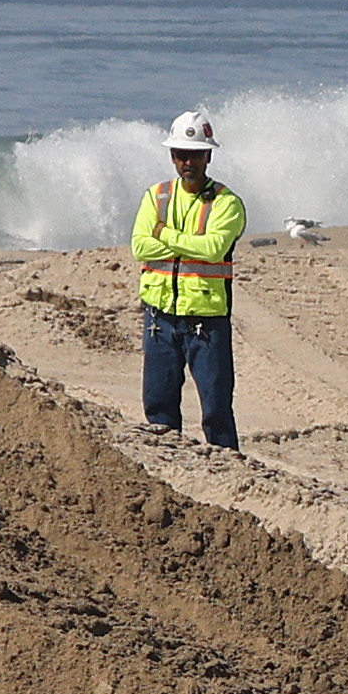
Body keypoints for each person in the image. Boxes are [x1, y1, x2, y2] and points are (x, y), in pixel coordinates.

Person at [132, 111, 247, 449]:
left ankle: (229, 469)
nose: (188, 162)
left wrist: (164, 234)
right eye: (181, 154)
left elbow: (213, 248)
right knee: (159, 406)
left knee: (215, 409)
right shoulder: (157, 196)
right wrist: (184, 243)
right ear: (172, 157)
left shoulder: (227, 202)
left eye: (195, 154)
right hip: (159, 318)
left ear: (208, 156)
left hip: (207, 320)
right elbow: (140, 245)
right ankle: (170, 468)